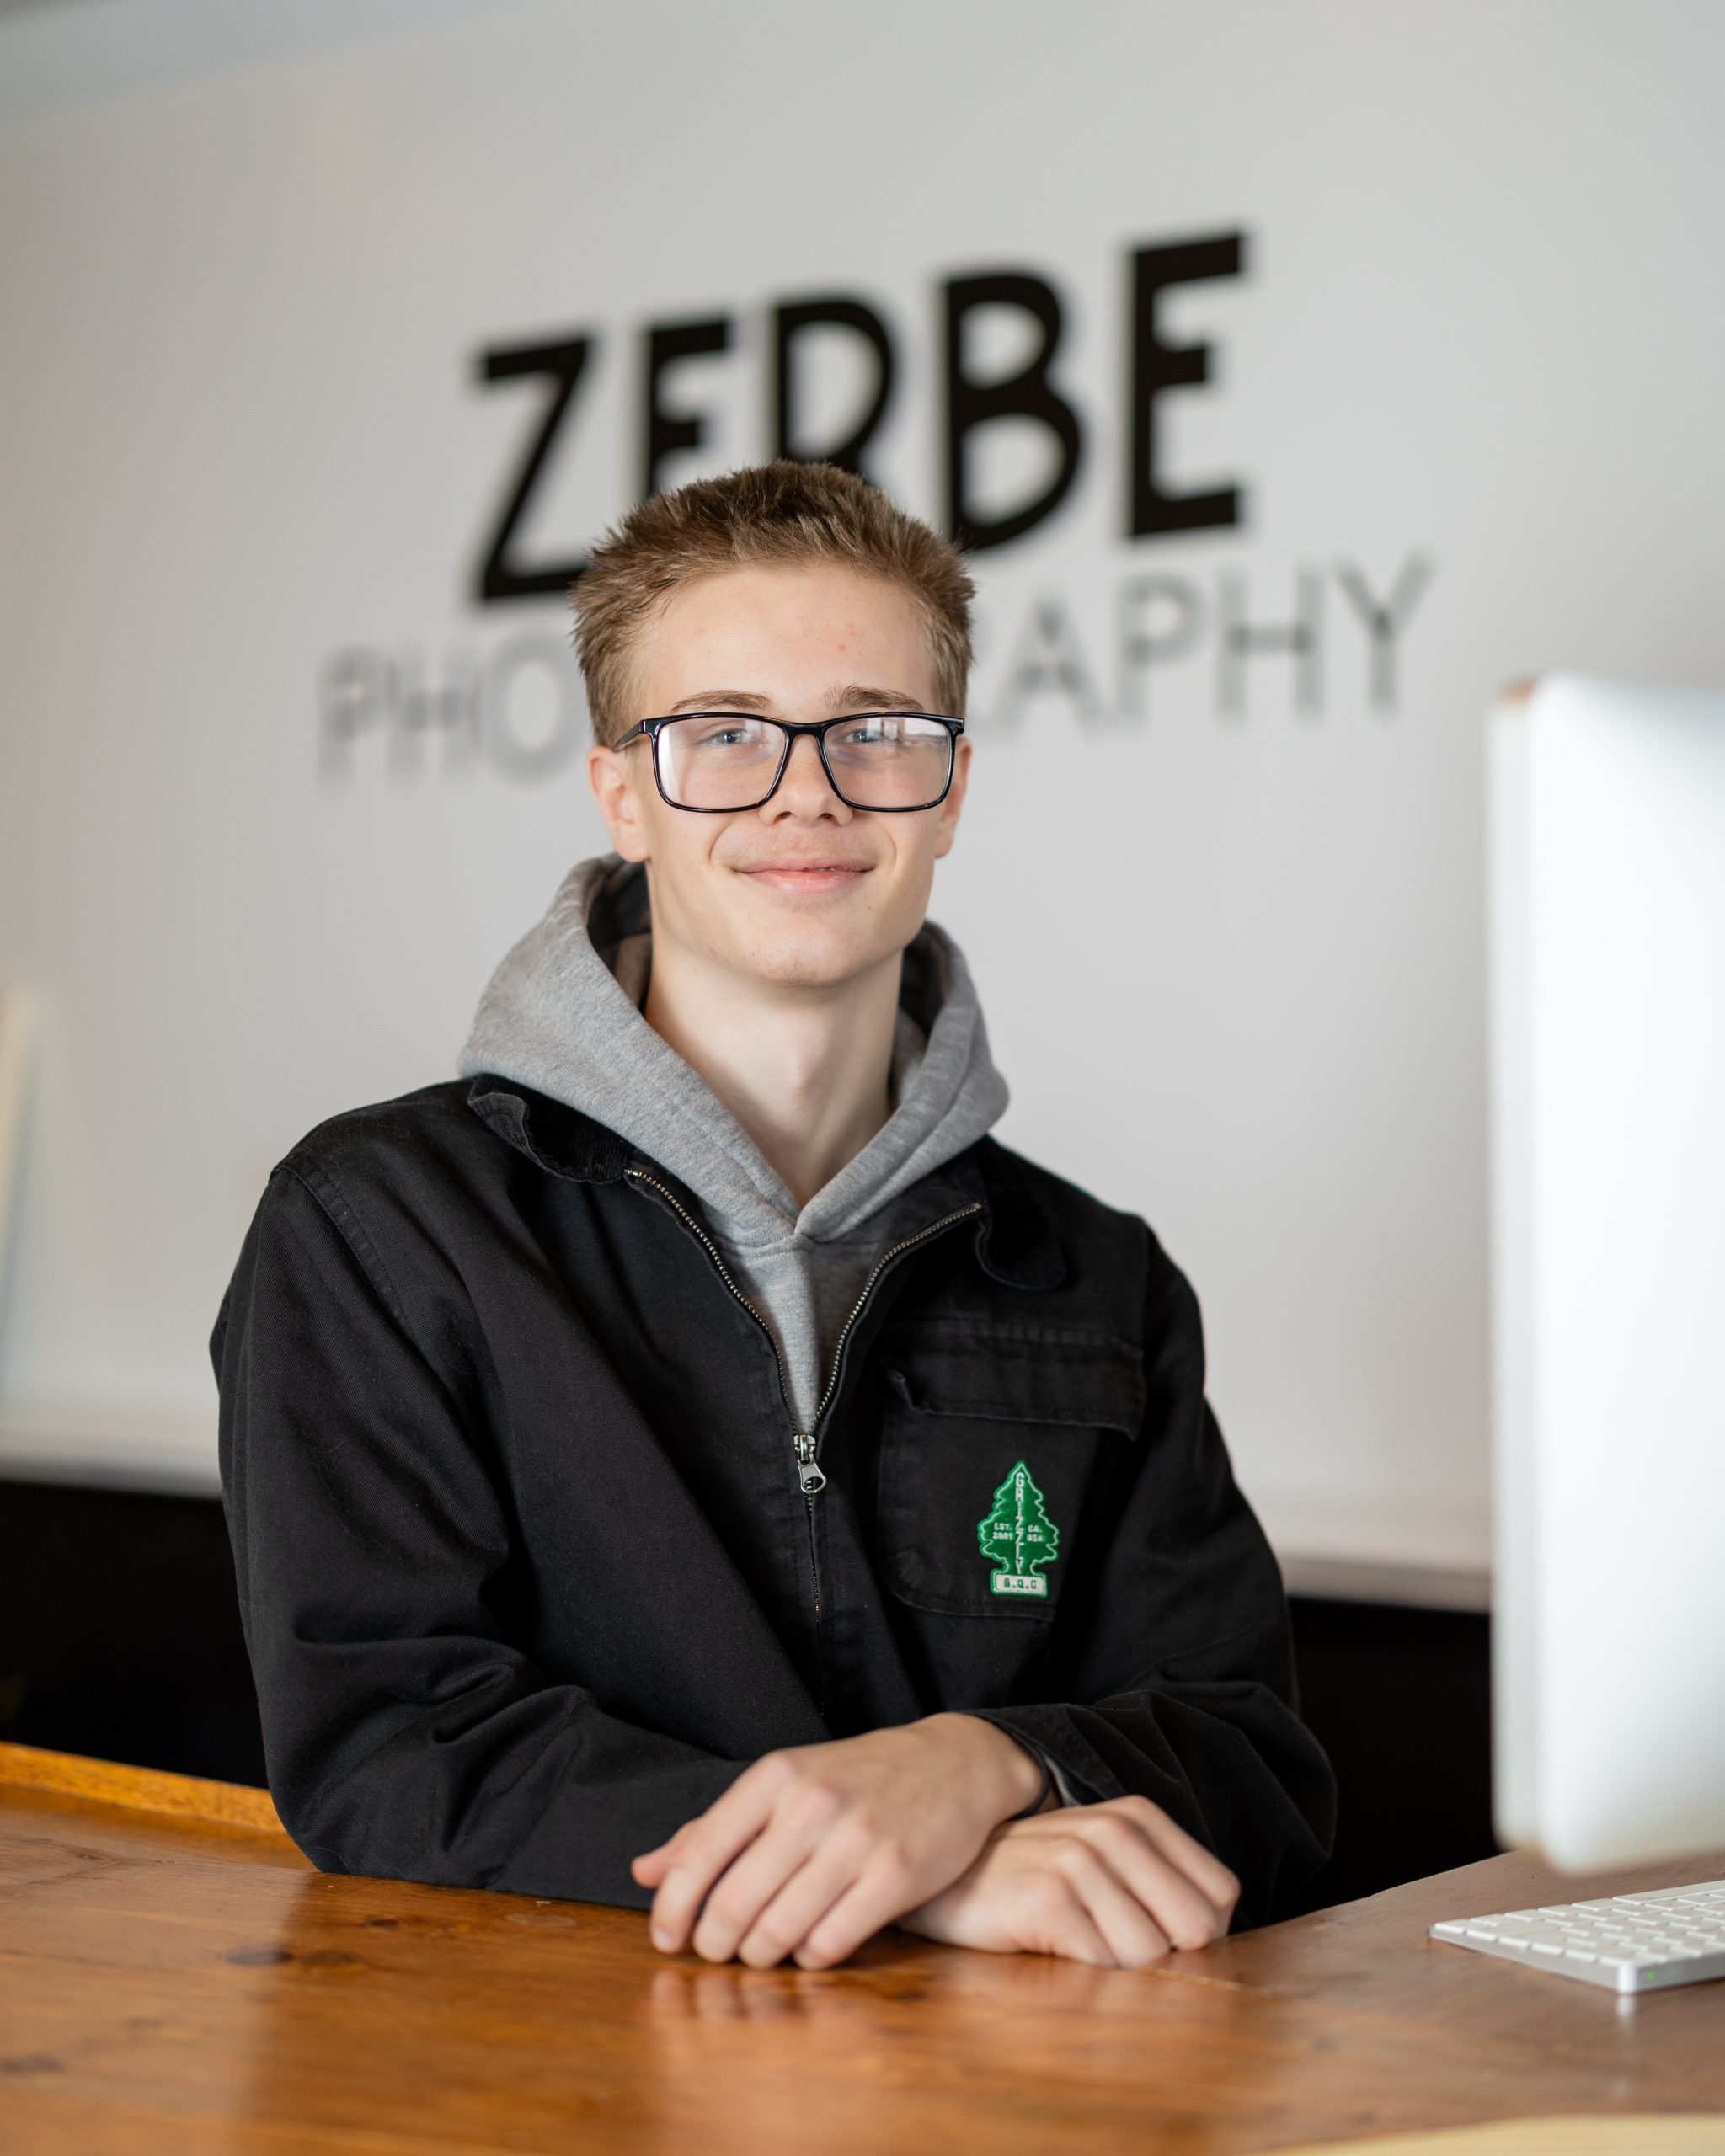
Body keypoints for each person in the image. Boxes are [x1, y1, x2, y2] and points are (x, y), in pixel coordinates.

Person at [212, 461, 1334, 1974]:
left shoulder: (1096, 1278)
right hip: (550, 2072)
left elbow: (1248, 1754)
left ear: (951, 791)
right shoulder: (380, 1229)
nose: (809, 790)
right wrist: (901, 1873)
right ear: (623, 795)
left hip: (1023, 2085)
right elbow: (394, 1747)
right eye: (725, 733)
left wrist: (979, 1768)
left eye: (876, 731)